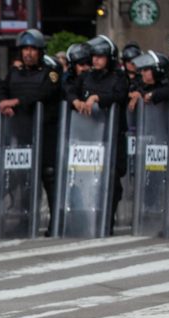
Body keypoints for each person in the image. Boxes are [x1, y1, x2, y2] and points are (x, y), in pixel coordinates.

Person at [0, 29, 62, 233]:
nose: (28, 53)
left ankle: (54, 224)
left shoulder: (50, 73)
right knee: (22, 178)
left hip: (46, 134)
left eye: (32, 49)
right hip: (22, 134)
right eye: (25, 49)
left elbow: (43, 93)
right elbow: (1, 90)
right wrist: (3, 103)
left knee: (48, 177)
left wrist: (15, 101)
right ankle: (24, 222)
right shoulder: (15, 73)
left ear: (40, 51)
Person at [66, 35, 129, 232]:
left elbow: (120, 95)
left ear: (109, 58)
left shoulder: (119, 77)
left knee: (111, 180)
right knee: (85, 180)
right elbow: (67, 89)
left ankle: (106, 222)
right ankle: (85, 221)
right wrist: (74, 100)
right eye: (93, 56)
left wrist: (98, 98)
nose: (95, 60)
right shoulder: (86, 77)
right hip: (87, 138)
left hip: (112, 137)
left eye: (100, 56)